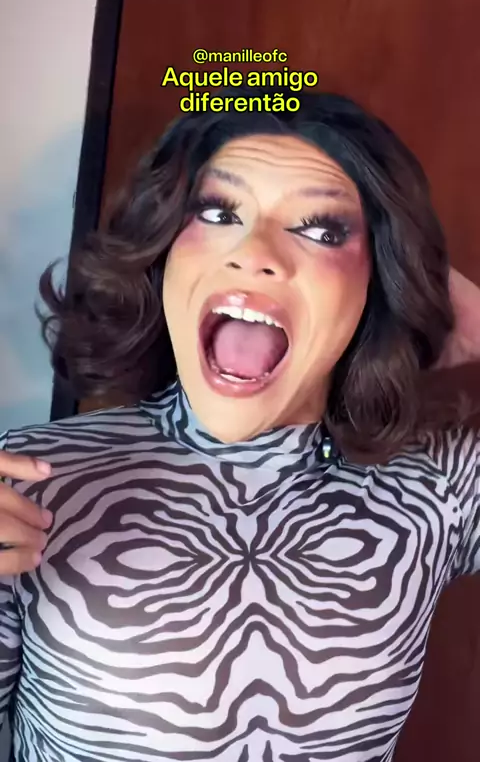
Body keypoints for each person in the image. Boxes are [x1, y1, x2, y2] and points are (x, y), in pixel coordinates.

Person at [0, 86, 479, 762]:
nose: (255, 253)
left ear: (378, 277)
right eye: (218, 212)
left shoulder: (441, 485)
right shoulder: (29, 483)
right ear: (165, 253)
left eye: (323, 230)